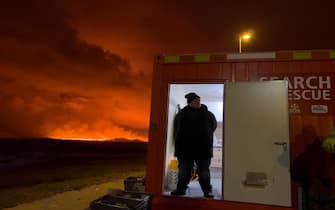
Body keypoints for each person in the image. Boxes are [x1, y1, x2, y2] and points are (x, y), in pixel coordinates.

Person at [171, 92, 217, 198]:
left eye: (199, 100)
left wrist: (206, 136)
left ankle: (207, 191)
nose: (198, 102)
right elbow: (177, 129)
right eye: (195, 100)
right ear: (190, 102)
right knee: (184, 171)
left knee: (204, 171)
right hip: (184, 148)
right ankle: (181, 190)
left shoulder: (208, 114)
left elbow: (213, 126)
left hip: (203, 148)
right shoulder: (181, 114)